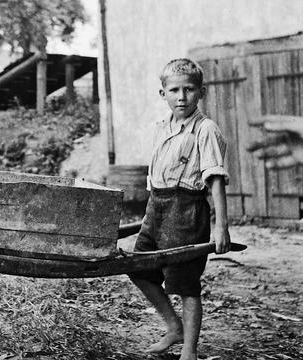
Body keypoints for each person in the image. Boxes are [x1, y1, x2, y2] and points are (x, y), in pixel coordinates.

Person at [127, 58, 231, 360]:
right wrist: (150, 210)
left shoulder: (205, 129)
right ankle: (174, 327)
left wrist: (220, 225)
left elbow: (214, 179)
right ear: (163, 94)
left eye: (189, 89)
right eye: (174, 90)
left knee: (185, 283)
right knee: (140, 269)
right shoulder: (162, 128)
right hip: (156, 208)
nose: (181, 97)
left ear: (202, 92)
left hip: (187, 210)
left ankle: (189, 350)